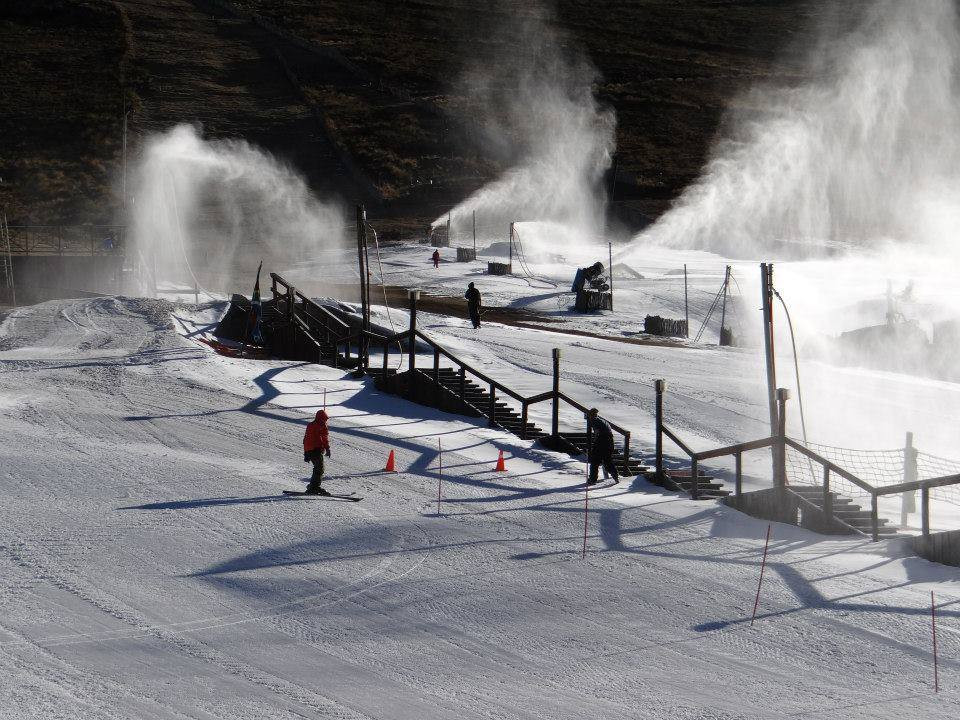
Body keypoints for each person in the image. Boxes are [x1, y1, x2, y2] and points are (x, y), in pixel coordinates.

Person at [587, 408, 619, 486]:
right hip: (610, 443)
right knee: (608, 460)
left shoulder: (594, 421)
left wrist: (593, 445)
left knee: (595, 461)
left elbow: (597, 433)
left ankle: (592, 479)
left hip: (601, 443)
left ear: (591, 415)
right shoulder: (603, 421)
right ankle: (615, 476)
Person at [303, 409, 331, 495]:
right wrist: (306, 453)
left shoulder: (312, 425)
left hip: (313, 450)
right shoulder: (318, 426)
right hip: (314, 450)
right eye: (323, 419)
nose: (324, 421)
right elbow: (308, 439)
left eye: (325, 420)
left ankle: (313, 486)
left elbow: (306, 439)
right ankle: (314, 487)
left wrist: (327, 448)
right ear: (319, 418)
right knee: (319, 468)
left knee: (318, 468)